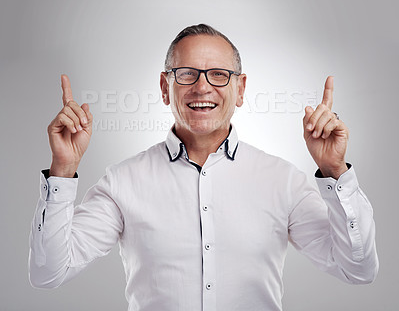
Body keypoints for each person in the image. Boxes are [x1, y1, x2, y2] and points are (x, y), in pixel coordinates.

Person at [29, 24, 378, 311]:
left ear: (240, 89)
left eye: (218, 74)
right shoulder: (123, 181)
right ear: (166, 87)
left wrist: (335, 171)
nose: (202, 86)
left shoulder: (283, 181)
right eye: (186, 74)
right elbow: (48, 273)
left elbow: (357, 269)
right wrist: (62, 170)